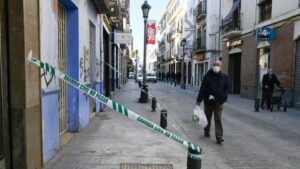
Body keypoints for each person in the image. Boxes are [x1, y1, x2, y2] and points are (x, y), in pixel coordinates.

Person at [196, 61, 229, 144]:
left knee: (218, 119)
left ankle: (219, 137)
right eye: (214, 65)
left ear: (221, 66)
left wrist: (224, 97)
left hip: (219, 102)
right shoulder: (207, 76)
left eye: (218, 65)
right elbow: (202, 89)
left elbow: (226, 89)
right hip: (208, 101)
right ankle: (206, 131)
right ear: (212, 66)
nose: (216, 66)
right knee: (207, 118)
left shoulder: (224, 77)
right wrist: (198, 101)